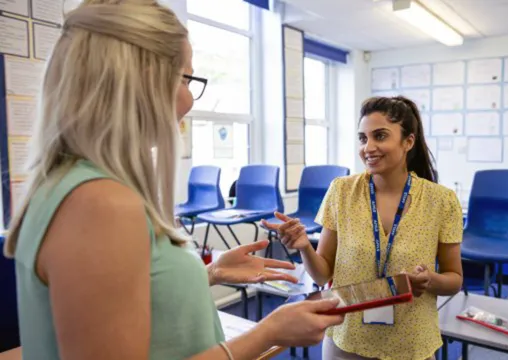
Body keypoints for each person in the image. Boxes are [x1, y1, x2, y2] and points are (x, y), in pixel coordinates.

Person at [2, 1, 343, 359]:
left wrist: (207, 274)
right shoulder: (100, 204)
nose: (189, 100)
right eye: (187, 78)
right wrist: (269, 332)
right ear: (144, 79)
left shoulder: (67, 186)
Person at [263, 96, 464, 360]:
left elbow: (454, 279)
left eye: (380, 136)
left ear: (408, 142)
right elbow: (324, 275)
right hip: (347, 337)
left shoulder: (441, 200)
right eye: (362, 138)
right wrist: (304, 248)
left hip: (410, 343)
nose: (368, 147)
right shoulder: (342, 190)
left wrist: (431, 280)